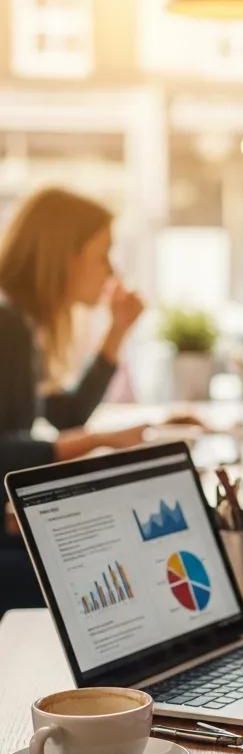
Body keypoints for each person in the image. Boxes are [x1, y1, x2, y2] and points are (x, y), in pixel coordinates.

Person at [0, 188, 145, 609]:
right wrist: (98, 440)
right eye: (102, 255)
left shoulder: (21, 323)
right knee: (116, 565)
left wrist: (116, 331)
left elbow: (67, 414)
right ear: (66, 256)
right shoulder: (6, 324)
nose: (110, 270)